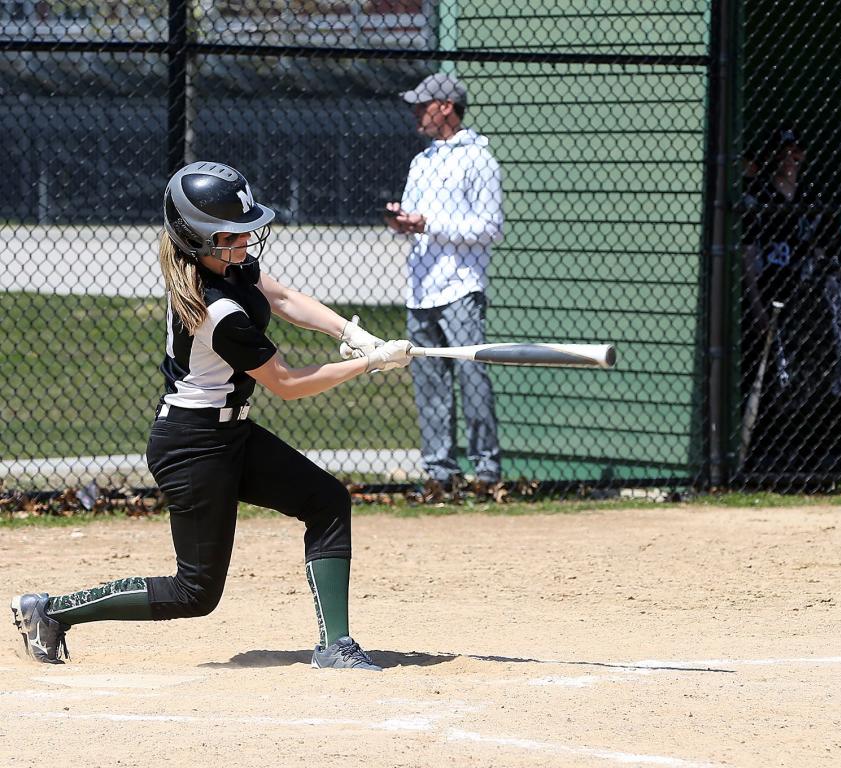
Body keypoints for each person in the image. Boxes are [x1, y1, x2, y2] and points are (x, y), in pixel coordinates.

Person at [10, 161, 413, 669]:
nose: (246, 241)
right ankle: (51, 610)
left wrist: (352, 335)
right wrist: (367, 365)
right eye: (232, 234)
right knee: (194, 592)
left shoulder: (229, 265)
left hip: (231, 434)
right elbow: (287, 384)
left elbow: (285, 297)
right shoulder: (216, 310)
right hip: (192, 446)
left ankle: (336, 646)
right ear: (199, 240)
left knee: (328, 501)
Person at [383, 73, 504, 496]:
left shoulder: (479, 159)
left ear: (446, 107)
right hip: (421, 288)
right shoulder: (423, 161)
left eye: (424, 105)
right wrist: (403, 221)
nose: (417, 113)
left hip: (460, 287)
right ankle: (440, 475)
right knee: (430, 383)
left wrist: (430, 224)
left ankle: (487, 475)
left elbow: (490, 228)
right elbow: (416, 221)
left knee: (473, 379)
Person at [740, 127, 841, 472]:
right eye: (782, 150)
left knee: (813, 375)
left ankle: (807, 449)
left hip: (808, 303)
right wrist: (756, 307)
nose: (790, 157)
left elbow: (823, 249)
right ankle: (763, 453)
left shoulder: (811, 197)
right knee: (771, 376)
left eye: (796, 150)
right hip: (772, 295)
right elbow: (748, 258)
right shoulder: (756, 196)